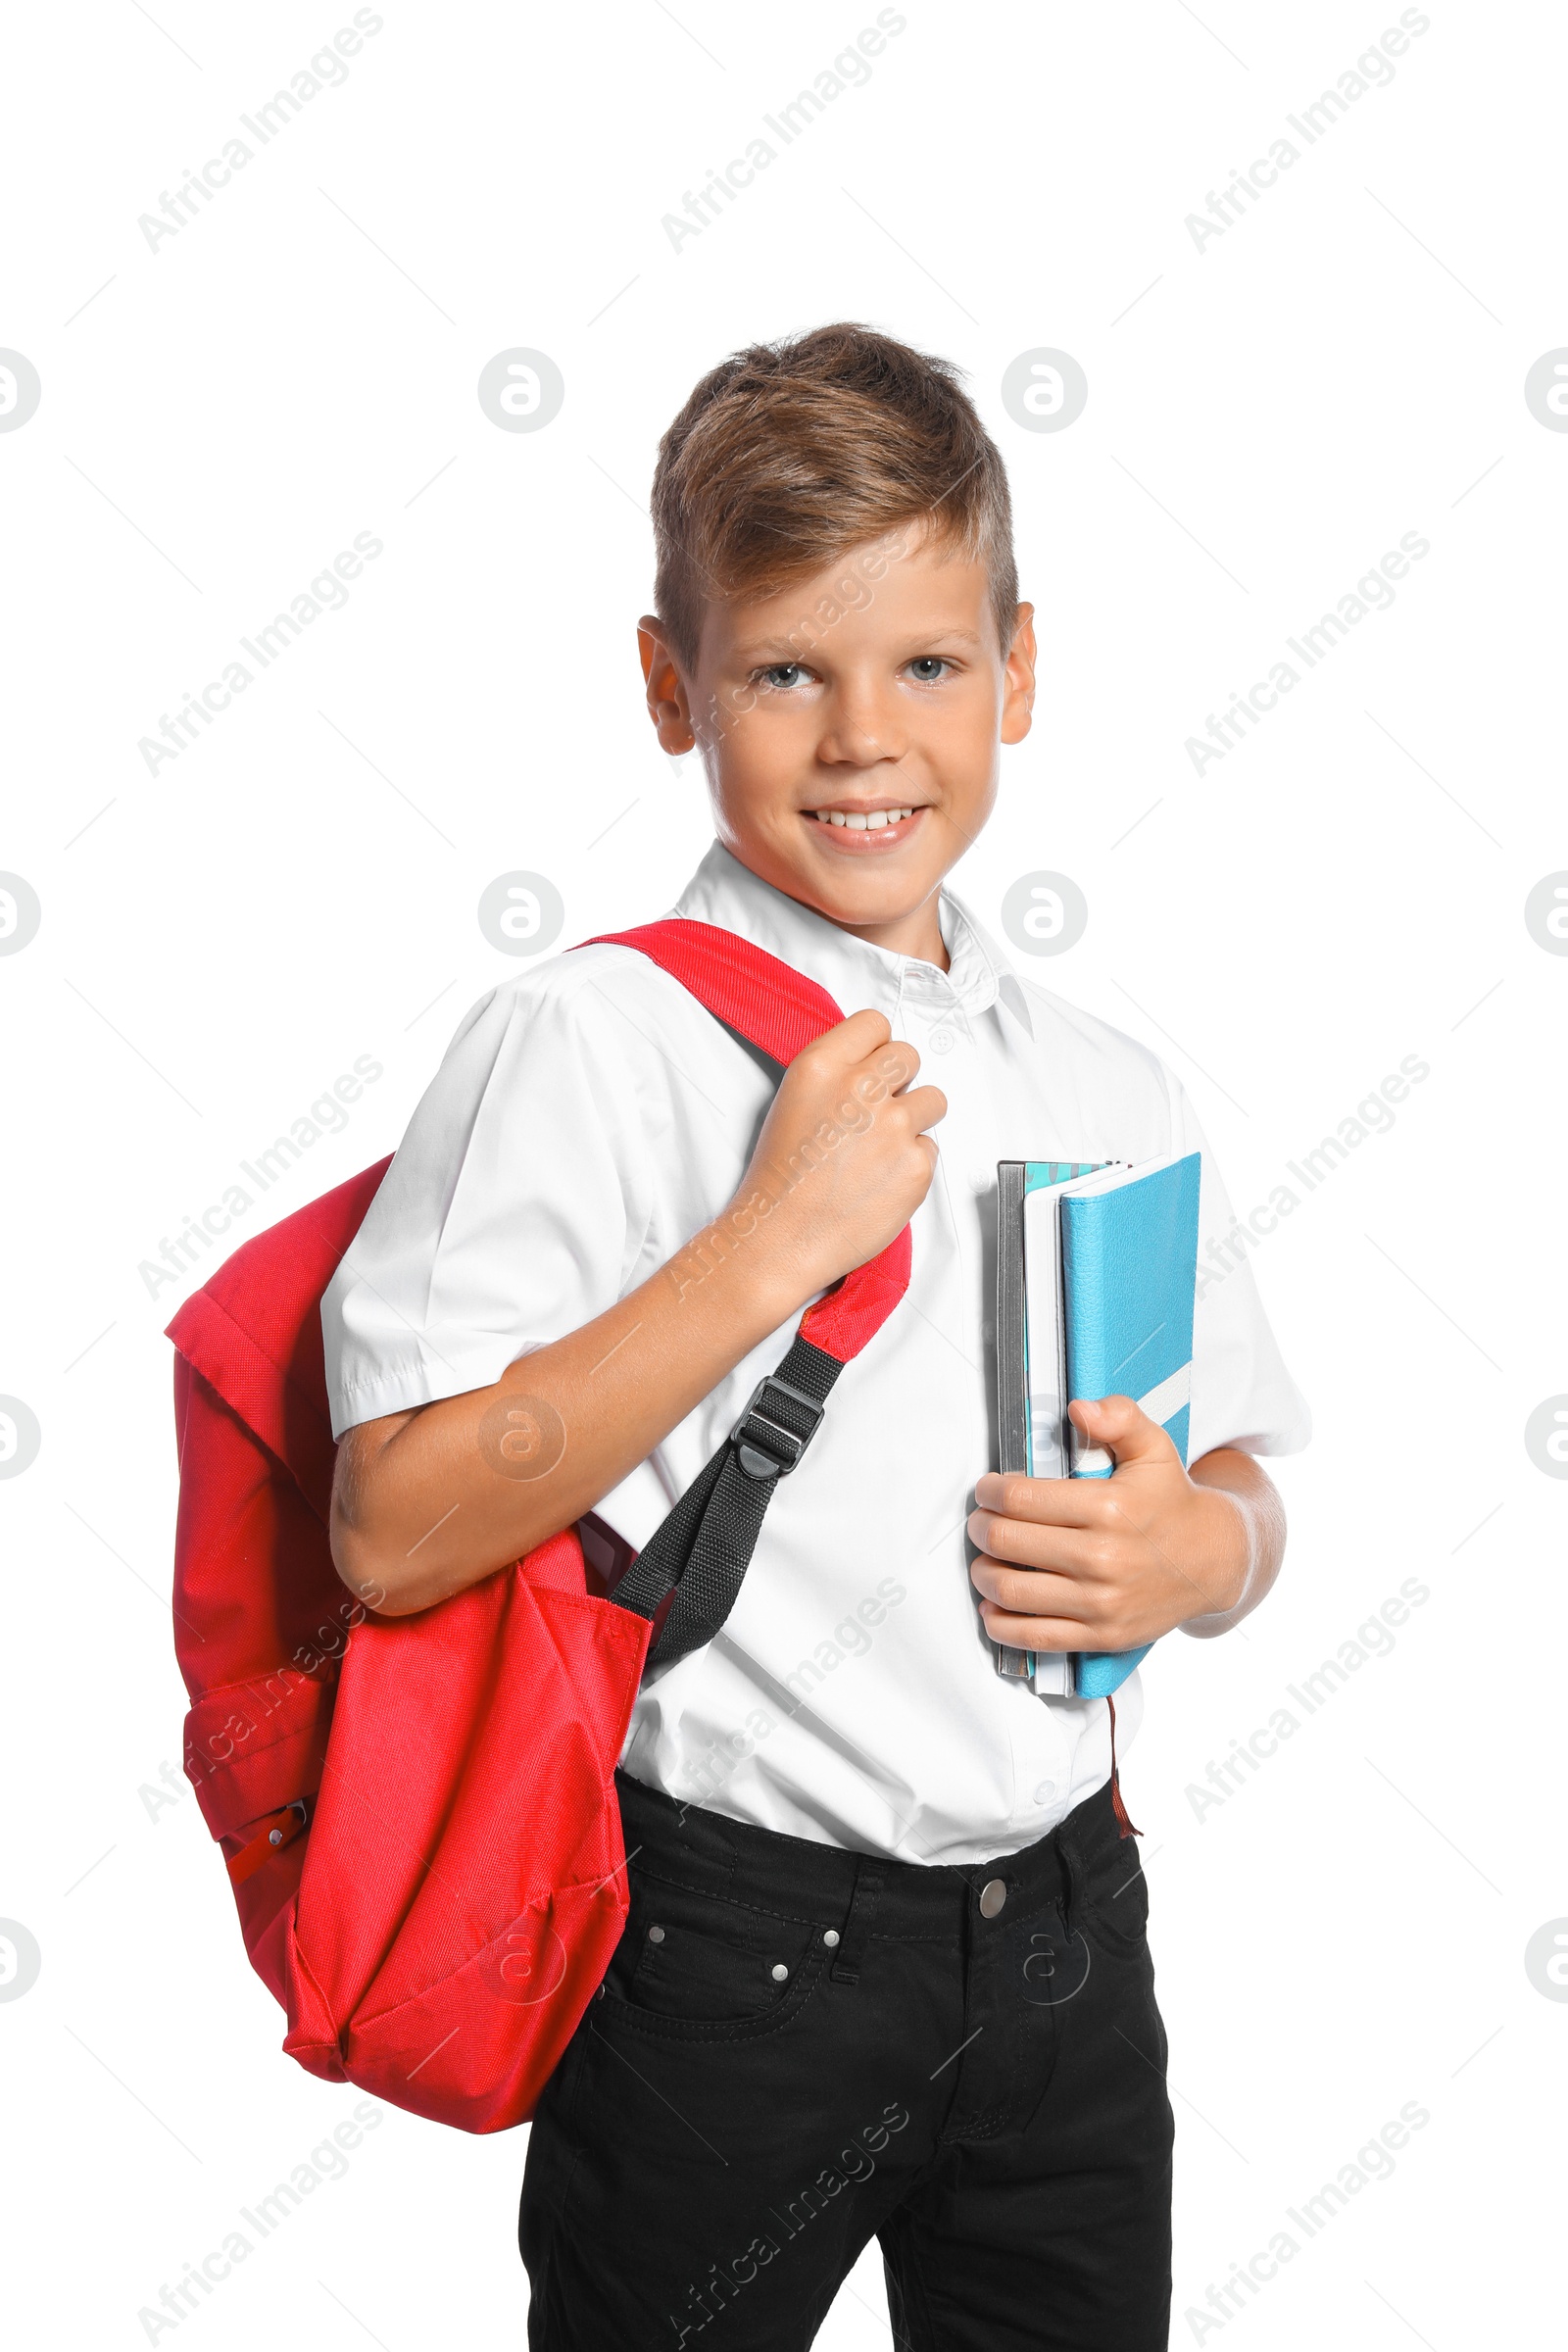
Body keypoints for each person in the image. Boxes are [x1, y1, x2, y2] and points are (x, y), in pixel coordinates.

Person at [321, 322, 1309, 2350]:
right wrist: (763, 1245)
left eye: (926, 666)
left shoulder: (1108, 1079)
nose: (863, 738)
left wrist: (1201, 1552)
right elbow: (391, 1526)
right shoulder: (587, 1043)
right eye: (785, 671)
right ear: (670, 684)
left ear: (1018, 670)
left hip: (1061, 1939)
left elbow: (1231, 1481)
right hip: (727, 1962)